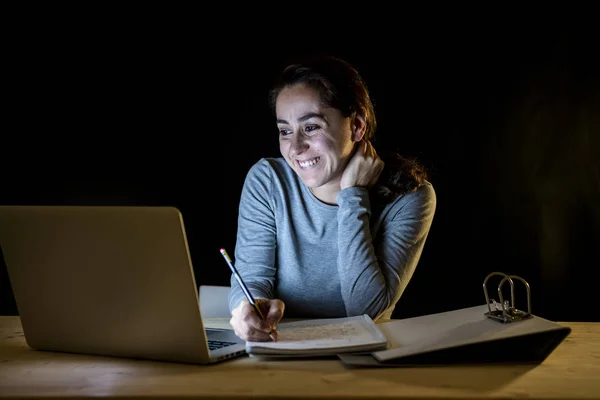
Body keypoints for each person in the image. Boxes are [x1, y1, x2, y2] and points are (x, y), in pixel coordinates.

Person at [228, 55, 436, 342]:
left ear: (357, 125)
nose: (296, 147)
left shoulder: (411, 198)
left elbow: (365, 311)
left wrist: (353, 197)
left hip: (365, 361)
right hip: (280, 349)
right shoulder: (267, 181)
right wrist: (249, 309)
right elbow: (251, 279)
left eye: (311, 127)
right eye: (285, 131)